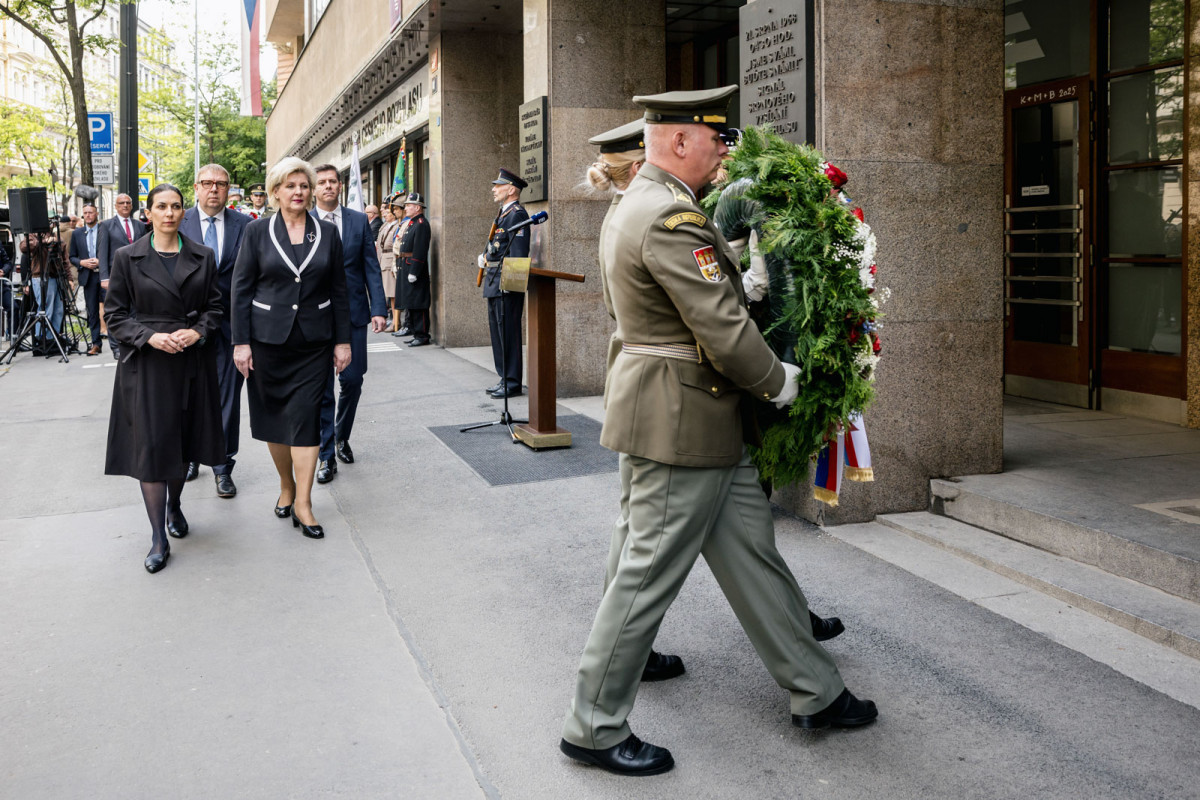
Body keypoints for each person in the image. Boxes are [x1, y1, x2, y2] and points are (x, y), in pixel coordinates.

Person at [559, 87, 877, 777]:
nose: (725, 151)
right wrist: (781, 381)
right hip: (683, 416)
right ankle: (592, 724)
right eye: (715, 139)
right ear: (679, 142)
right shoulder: (670, 216)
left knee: (750, 555)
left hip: (692, 413)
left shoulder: (642, 205)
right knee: (645, 576)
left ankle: (816, 690)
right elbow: (723, 328)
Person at [103, 183, 225, 574]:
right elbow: (116, 315)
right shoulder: (127, 256)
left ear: (183, 211)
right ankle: (158, 535)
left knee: (183, 442)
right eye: (161, 207)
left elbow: (215, 308)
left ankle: (174, 505)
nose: (169, 213)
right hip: (147, 366)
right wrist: (150, 337)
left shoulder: (202, 255)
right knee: (153, 447)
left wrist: (198, 332)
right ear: (148, 213)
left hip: (190, 361)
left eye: (175, 206)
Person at [231, 157, 351, 539]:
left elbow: (339, 290)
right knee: (274, 421)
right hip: (267, 342)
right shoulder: (256, 231)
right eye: (290, 186)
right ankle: (286, 485)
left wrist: (343, 340)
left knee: (305, 419)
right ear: (275, 192)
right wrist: (241, 343)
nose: (298, 192)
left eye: (304, 185)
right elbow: (241, 289)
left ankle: (304, 502)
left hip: (313, 343)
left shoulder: (327, 233)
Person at [179, 163, 253, 497]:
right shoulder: (178, 221)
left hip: (231, 327)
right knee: (189, 397)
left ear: (228, 189)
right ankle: (192, 455)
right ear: (195, 187)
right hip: (185, 327)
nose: (214, 189)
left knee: (227, 399)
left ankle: (223, 466)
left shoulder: (247, 225)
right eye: (207, 183)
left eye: (221, 184)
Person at [311, 163, 387, 484]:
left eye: (333, 181)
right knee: (321, 388)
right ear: (314, 189)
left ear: (341, 186)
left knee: (353, 380)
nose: (328, 186)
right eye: (322, 182)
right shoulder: (304, 221)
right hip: (314, 317)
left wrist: (379, 308)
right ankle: (326, 455)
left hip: (354, 313)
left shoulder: (357, 220)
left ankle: (341, 435)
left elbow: (371, 266)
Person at [478, 168, 529, 398]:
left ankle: (512, 382)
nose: (493, 189)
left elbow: (518, 253)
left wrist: (512, 284)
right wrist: (486, 256)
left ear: (511, 190)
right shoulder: (503, 214)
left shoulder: (516, 214)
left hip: (506, 284)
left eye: (498, 186)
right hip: (494, 280)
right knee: (498, 334)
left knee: (508, 333)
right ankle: (503, 377)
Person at [98, 193, 148, 360]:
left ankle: (134, 341)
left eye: (128, 202)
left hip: (138, 274)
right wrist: (104, 277)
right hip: (116, 274)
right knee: (116, 310)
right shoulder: (106, 225)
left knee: (136, 310)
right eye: (122, 203)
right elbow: (103, 251)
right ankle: (116, 347)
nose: (125, 205)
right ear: (116, 206)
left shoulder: (139, 226)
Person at [19, 231, 67, 352]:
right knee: (46, 309)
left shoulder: (54, 235)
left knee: (58, 310)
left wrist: (69, 278)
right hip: (41, 276)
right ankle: (41, 339)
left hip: (56, 275)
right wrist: (44, 241)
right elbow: (24, 247)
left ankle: (53, 339)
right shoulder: (32, 236)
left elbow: (64, 258)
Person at [394, 191, 431, 347]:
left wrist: (414, 271)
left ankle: (422, 335)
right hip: (406, 266)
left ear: (417, 207)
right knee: (411, 302)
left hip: (414, 269)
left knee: (419, 303)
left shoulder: (421, 224)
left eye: (409, 205)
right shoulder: (412, 223)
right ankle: (416, 332)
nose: (406, 208)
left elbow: (420, 249)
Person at [69, 204, 104, 354]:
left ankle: (118, 344)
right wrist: (82, 262)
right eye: (85, 213)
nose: (88, 215)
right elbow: (72, 257)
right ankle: (96, 343)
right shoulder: (77, 234)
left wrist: (100, 261)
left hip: (104, 274)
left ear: (96, 214)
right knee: (92, 311)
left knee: (112, 309)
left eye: (91, 212)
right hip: (88, 276)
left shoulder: (104, 230)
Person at [375, 195, 401, 332]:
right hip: (384, 259)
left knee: (393, 294)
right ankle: (394, 320)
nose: (385, 214)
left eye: (389, 212)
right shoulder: (386, 225)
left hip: (390, 260)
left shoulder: (397, 225)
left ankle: (396, 323)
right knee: (390, 294)